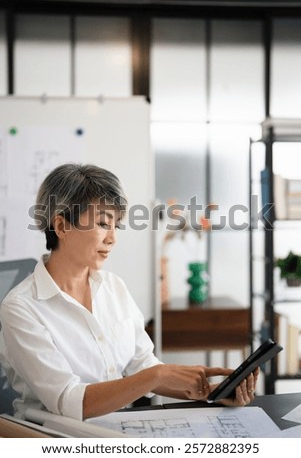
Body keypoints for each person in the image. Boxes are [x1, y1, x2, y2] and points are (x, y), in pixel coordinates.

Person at [0, 163, 258, 421]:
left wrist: (210, 393)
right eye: (103, 224)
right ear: (62, 226)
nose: (112, 238)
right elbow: (68, 401)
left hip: (117, 429)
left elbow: (143, 366)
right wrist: (157, 375)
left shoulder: (113, 287)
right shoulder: (21, 308)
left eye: (117, 227)